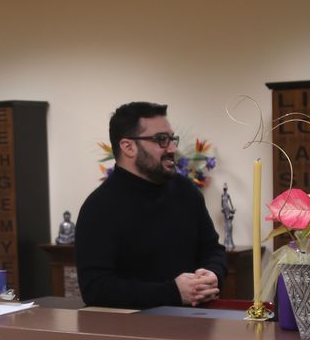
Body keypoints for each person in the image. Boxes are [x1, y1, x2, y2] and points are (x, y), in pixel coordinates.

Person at [76, 102, 227, 308]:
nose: (173, 148)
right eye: (161, 140)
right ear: (128, 147)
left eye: (172, 139)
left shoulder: (186, 191)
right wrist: (172, 292)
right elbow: (96, 289)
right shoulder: (99, 208)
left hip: (196, 325)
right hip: (132, 333)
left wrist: (212, 273)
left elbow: (212, 250)